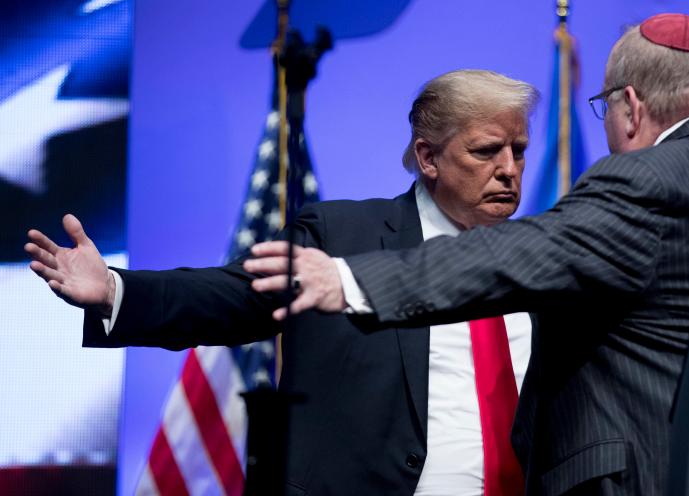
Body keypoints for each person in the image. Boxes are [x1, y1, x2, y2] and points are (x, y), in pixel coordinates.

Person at [239, 14, 689, 495]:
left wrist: (352, 278)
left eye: (605, 110)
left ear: (632, 107)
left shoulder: (641, 180)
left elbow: (520, 253)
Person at [27, 69, 540, 496]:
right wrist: (116, 291)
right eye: (486, 151)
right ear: (428, 158)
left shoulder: (544, 260)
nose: (509, 170)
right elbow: (232, 298)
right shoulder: (343, 235)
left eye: (518, 150)